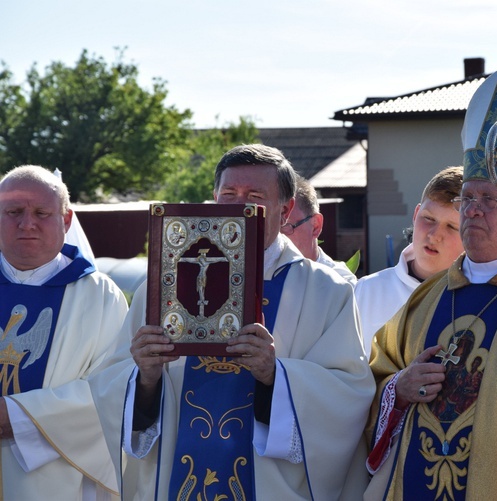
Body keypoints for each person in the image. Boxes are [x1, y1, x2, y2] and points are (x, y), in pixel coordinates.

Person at [89, 144, 375, 500]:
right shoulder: (162, 284)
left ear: (284, 210)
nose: (239, 205)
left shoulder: (327, 292)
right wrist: (144, 376)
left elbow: (347, 395)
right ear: (213, 199)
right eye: (229, 194)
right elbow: (111, 386)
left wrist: (276, 376)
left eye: (254, 196)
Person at [365, 54, 497, 500]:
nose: (473, 209)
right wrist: (397, 391)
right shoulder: (426, 300)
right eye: (468, 198)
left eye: (491, 200)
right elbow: (375, 380)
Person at [0, 165, 128, 499]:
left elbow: (112, 391)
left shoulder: (100, 297)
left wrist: (18, 417)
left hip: (56, 481)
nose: (27, 223)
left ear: (66, 220)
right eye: (13, 212)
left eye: (42, 212)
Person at [354, 166, 464, 357]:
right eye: (428, 218)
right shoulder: (367, 291)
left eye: (452, 227)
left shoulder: (477, 297)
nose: (434, 235)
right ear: (415, 215)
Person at [282, 175, 357, 285]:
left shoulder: (340, 285)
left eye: (285, 226)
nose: (276, 237)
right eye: (271, 227)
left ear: (315, 226)